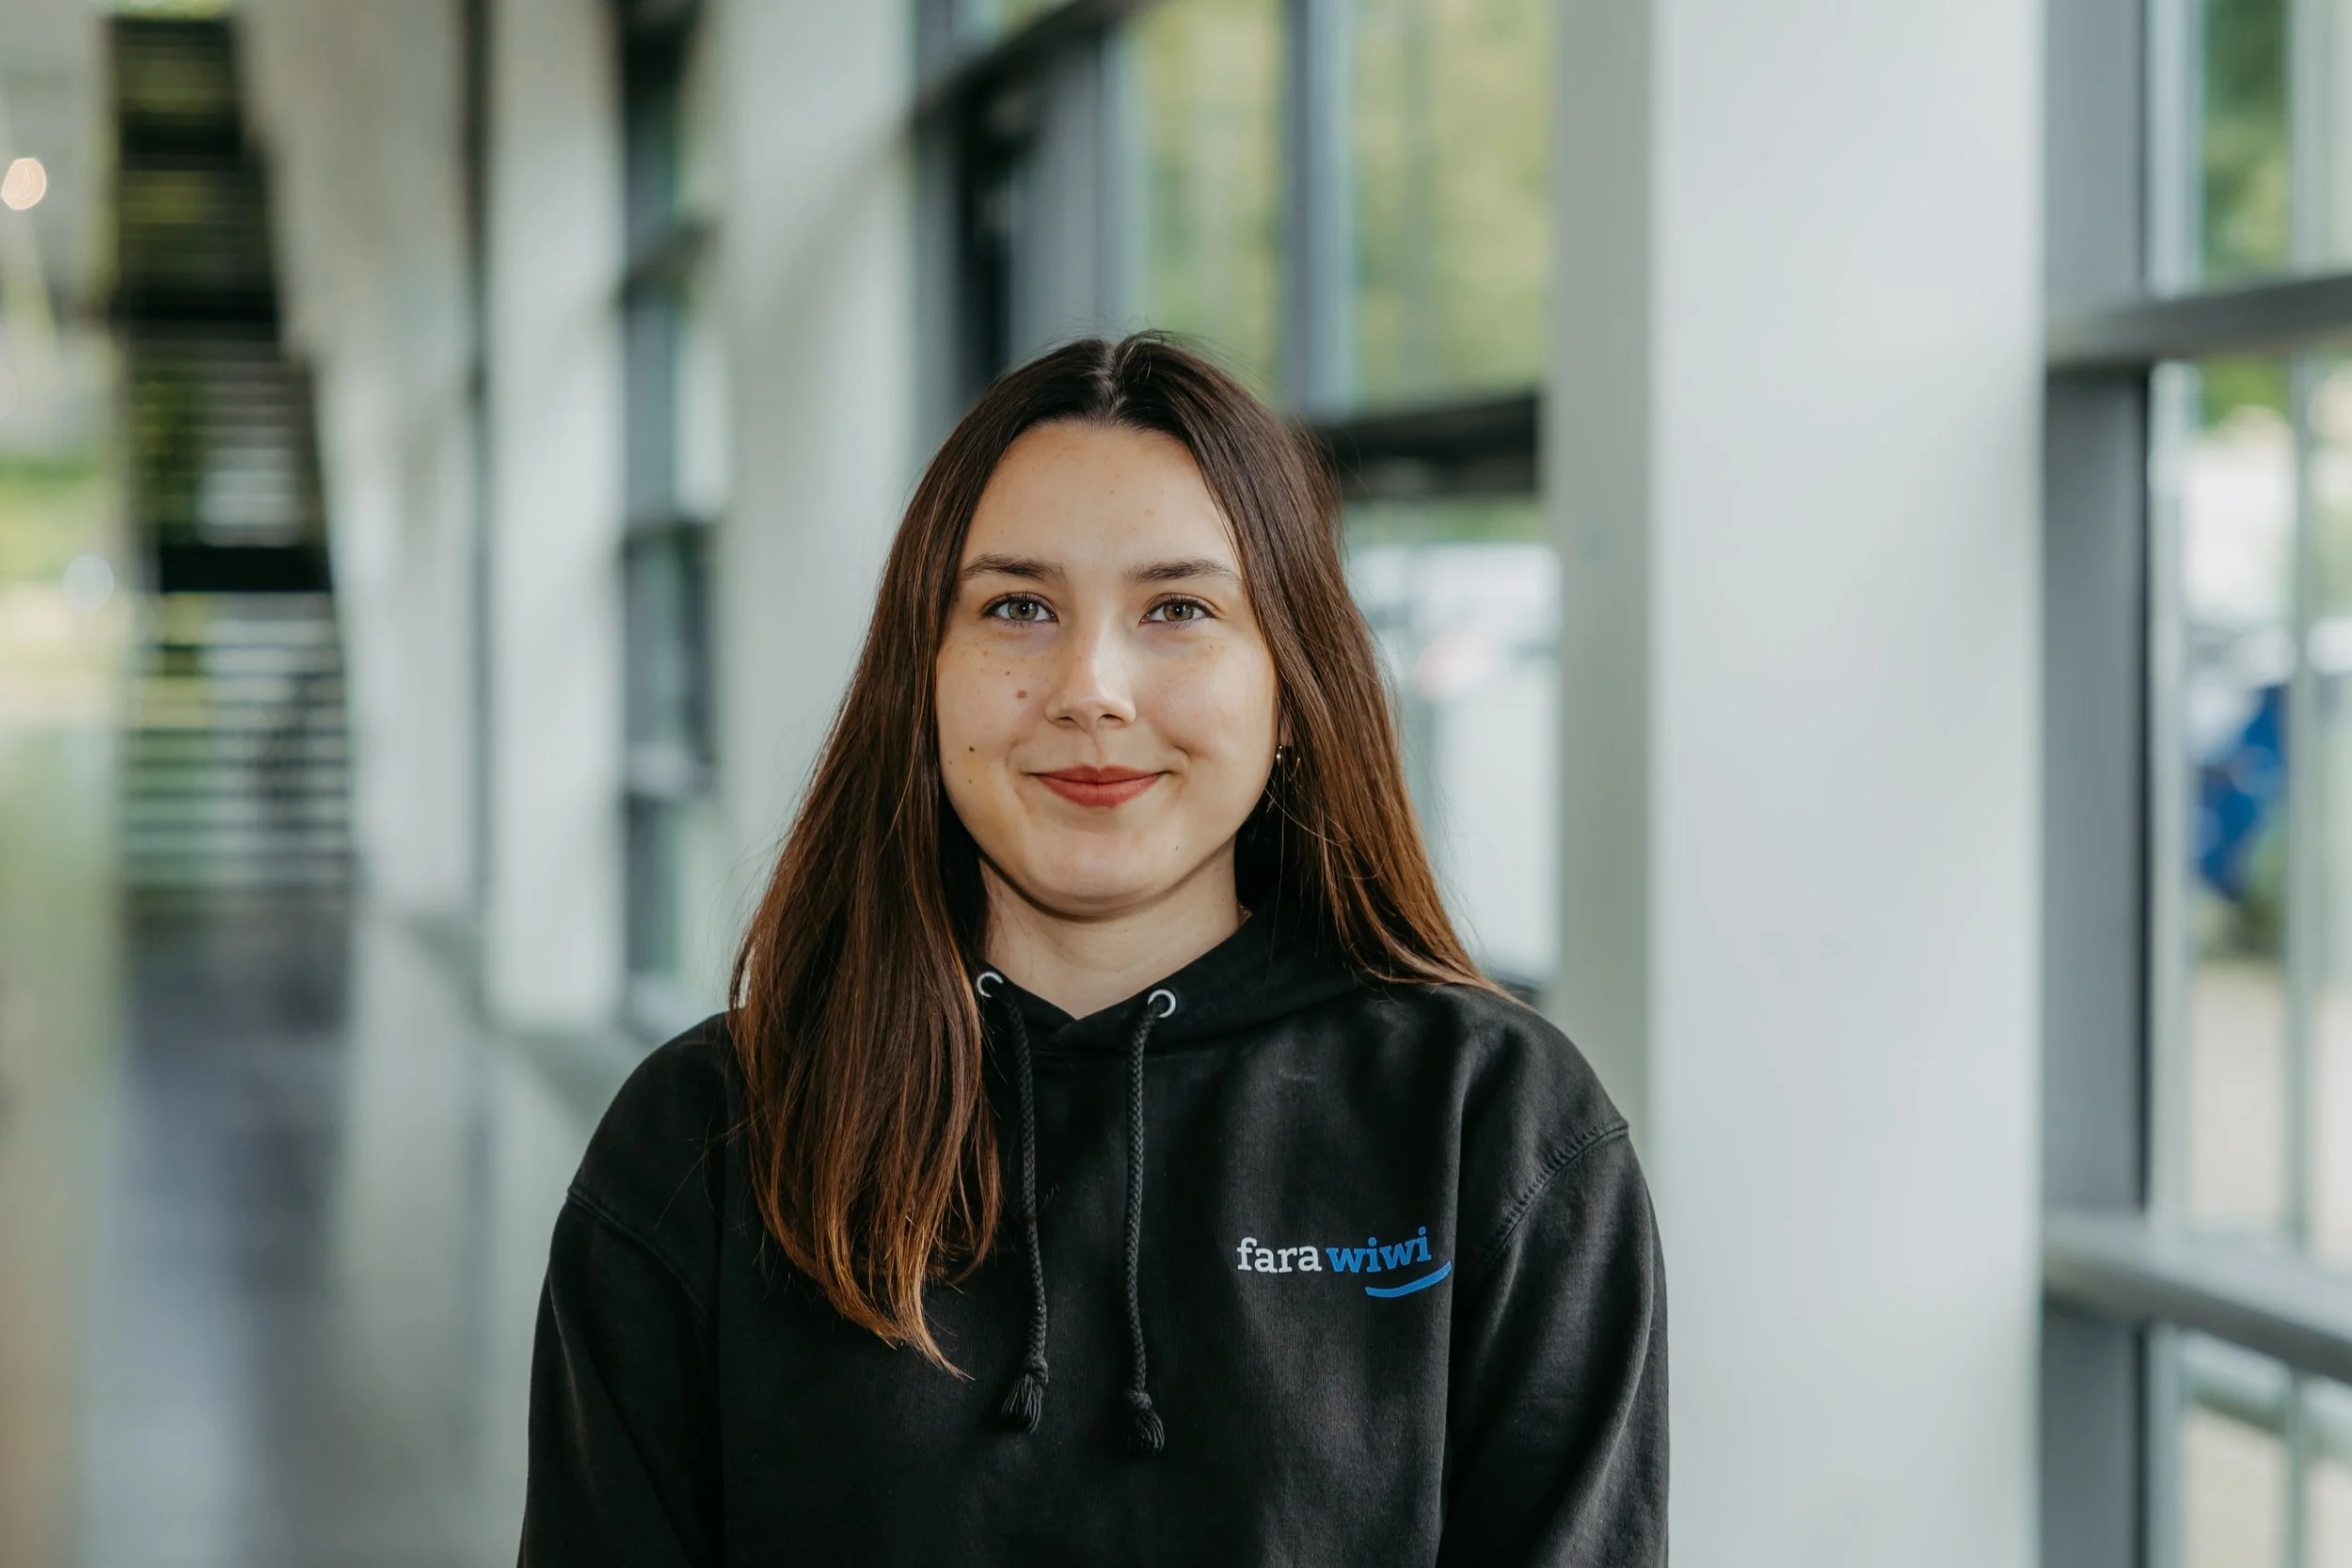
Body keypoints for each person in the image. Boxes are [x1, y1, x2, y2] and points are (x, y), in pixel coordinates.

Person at [519, 335, 1666, 1565]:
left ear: (1290, 688)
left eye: (1179, 609)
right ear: (927, 679)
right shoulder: (707, 1138)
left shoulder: (1493, 1129)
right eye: (1019, 607)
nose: (1092, 688)